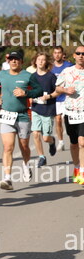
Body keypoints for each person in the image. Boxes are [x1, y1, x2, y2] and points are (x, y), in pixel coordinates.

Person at [0, 51, 43, 190]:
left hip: (23, 115)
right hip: (7, 115)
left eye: (16, 59)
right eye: (11, 59)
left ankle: (26, 164)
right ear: (8, 61)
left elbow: (39, 90)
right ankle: (7, 178)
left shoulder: (28, 76)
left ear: (21, 62)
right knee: (8, 146)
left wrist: (25, 93)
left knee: (24, 146)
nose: (14, 61)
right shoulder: (2, 74)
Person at [55, 45, 84, 185]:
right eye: (78, 53)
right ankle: (77, 167)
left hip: (83, 112)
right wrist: (66, 90)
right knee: (74, 144)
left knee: (82, 142)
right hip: (70, 112)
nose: (81, 56)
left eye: (83, 54)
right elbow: (57, 88)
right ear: (74, 56)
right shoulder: (67, 71)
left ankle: (82, 171)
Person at [30, 53, 58, 168]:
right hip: (36, 108)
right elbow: (28, 90)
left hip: (48, 109)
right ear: (35, 61)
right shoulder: (32, 77)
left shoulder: (51, 76)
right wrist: (29, 96)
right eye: (39, 59)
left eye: (43, 60)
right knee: (35, 133)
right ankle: (41, 157)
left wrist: (48, 96)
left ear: (46, 62)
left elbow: (58, 91)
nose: (41, 61)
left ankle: (52, 141)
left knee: (46, 138)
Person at [51, 46, 73, 152]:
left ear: (62, 54)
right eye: (55, 53)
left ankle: (73, 138)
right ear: (53, 54)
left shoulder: (69, 66)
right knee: (58, 120)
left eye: (59, 52)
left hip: (67, 97)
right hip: (56, 98)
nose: (57, 55)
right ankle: (61, 141)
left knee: (68, 121)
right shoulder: (50, 67)